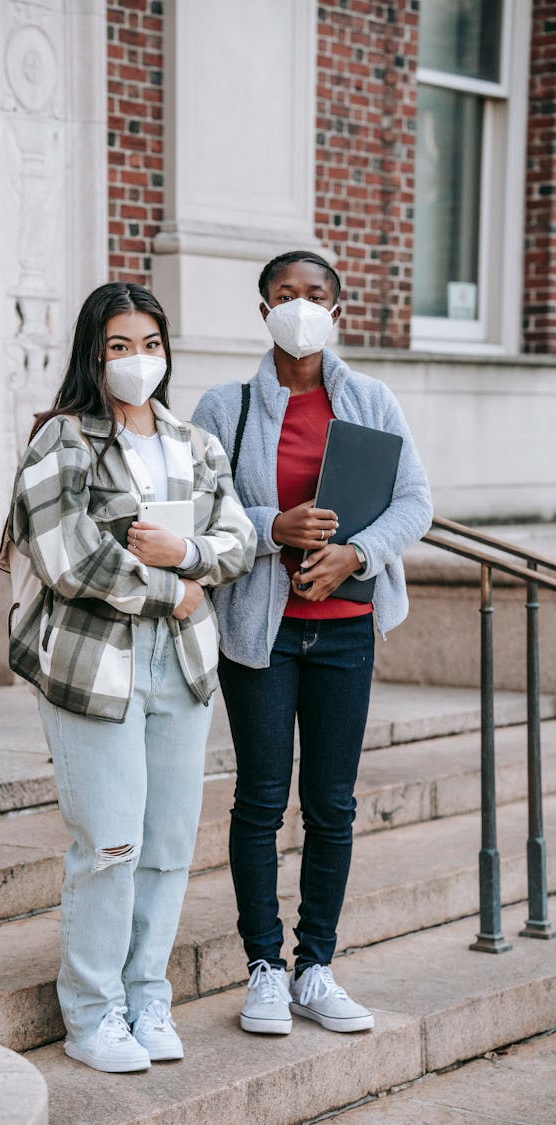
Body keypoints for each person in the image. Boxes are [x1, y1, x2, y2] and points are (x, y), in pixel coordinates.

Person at [5, 282, 255, 1073]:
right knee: (110, 841)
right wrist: (174, 589)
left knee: (168, 846)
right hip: (92, 665)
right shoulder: (63, 442)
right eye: (119, 346)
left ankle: (148, 996)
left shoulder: (193, 442)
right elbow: (66, 556)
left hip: (180, 666)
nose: (137, 360)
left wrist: (186, 559)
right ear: (93, 354)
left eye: (150, 343)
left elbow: (238, 538)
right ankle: (93, 1009)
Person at [192, 250, 432, 1037]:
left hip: (344, 635)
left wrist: (355, 553)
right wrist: (273, 529)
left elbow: (414, 502)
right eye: (286, 295)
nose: (302, 306)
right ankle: (263, 965)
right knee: (261, 800)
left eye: (316, 294)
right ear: (263, 310)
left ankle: (314, 967)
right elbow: (201, 510)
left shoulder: (369, 398)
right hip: (259, 636)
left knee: (331, 805)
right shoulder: (224, 408)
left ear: (339, 309)